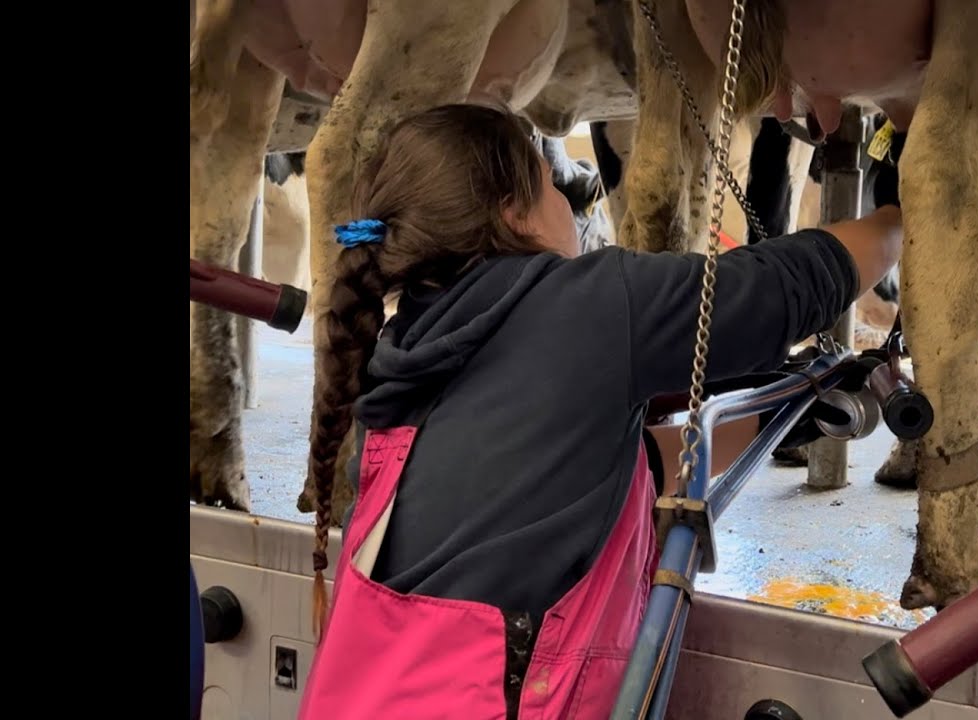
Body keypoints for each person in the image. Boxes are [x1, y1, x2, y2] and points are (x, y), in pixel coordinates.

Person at [297, 102, 904, 720]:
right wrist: (903, 216)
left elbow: (614, 469)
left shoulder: (405, 349)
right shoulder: (585, 304)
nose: (569, 203)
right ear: (514, 214)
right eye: (552, 185)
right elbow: (786, 287)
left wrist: (788, 415)